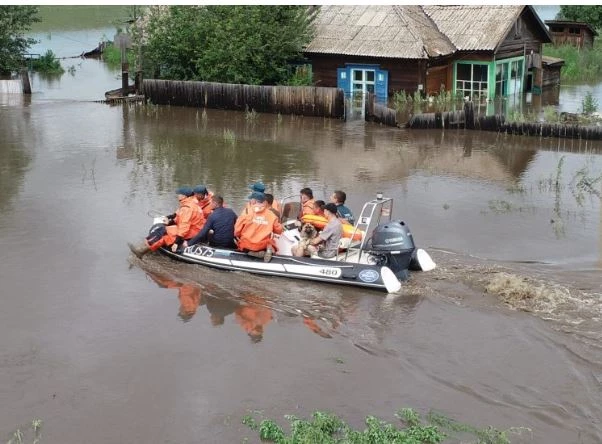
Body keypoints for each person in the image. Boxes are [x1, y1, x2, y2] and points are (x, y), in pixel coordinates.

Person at [128, 186, 205, 258]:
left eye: (179, 194)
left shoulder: (187, 208)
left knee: (163, 233)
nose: (177, 195)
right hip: (194, 230)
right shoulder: (191, 204)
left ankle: (141, 251)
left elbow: (184, 226)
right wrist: (170, 220)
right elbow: (178, 216)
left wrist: (177, 242)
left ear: (184, 196)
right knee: (163, 231)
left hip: (190, 232)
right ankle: (143, 248)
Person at [234, 191, 283, 262]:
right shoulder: (271, 215)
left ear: (254, 201)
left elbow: (236, 231)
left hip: (248, 244)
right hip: (263, 245)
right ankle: (268, 249)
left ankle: (253, 253)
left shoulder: (247, 212)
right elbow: (279, 230)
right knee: (270, 241)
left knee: (241, 244)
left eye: (250, 199)